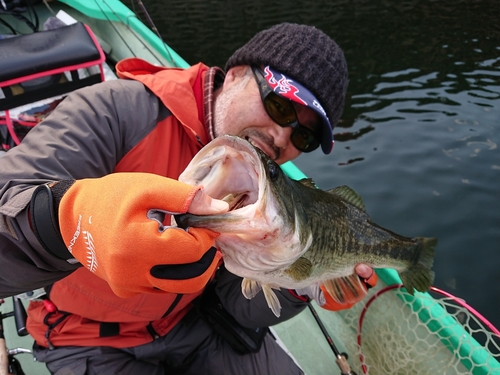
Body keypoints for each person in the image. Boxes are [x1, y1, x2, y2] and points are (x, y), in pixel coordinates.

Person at [0, 23, 377, 374]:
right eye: (279, 105)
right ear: (235, 75)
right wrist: (72, 221)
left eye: (303, 137)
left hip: (191, 323)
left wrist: (302, 281)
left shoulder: (262, 191)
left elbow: (236, 304)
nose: (281, 138)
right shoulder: (114, 111)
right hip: (86, 338)